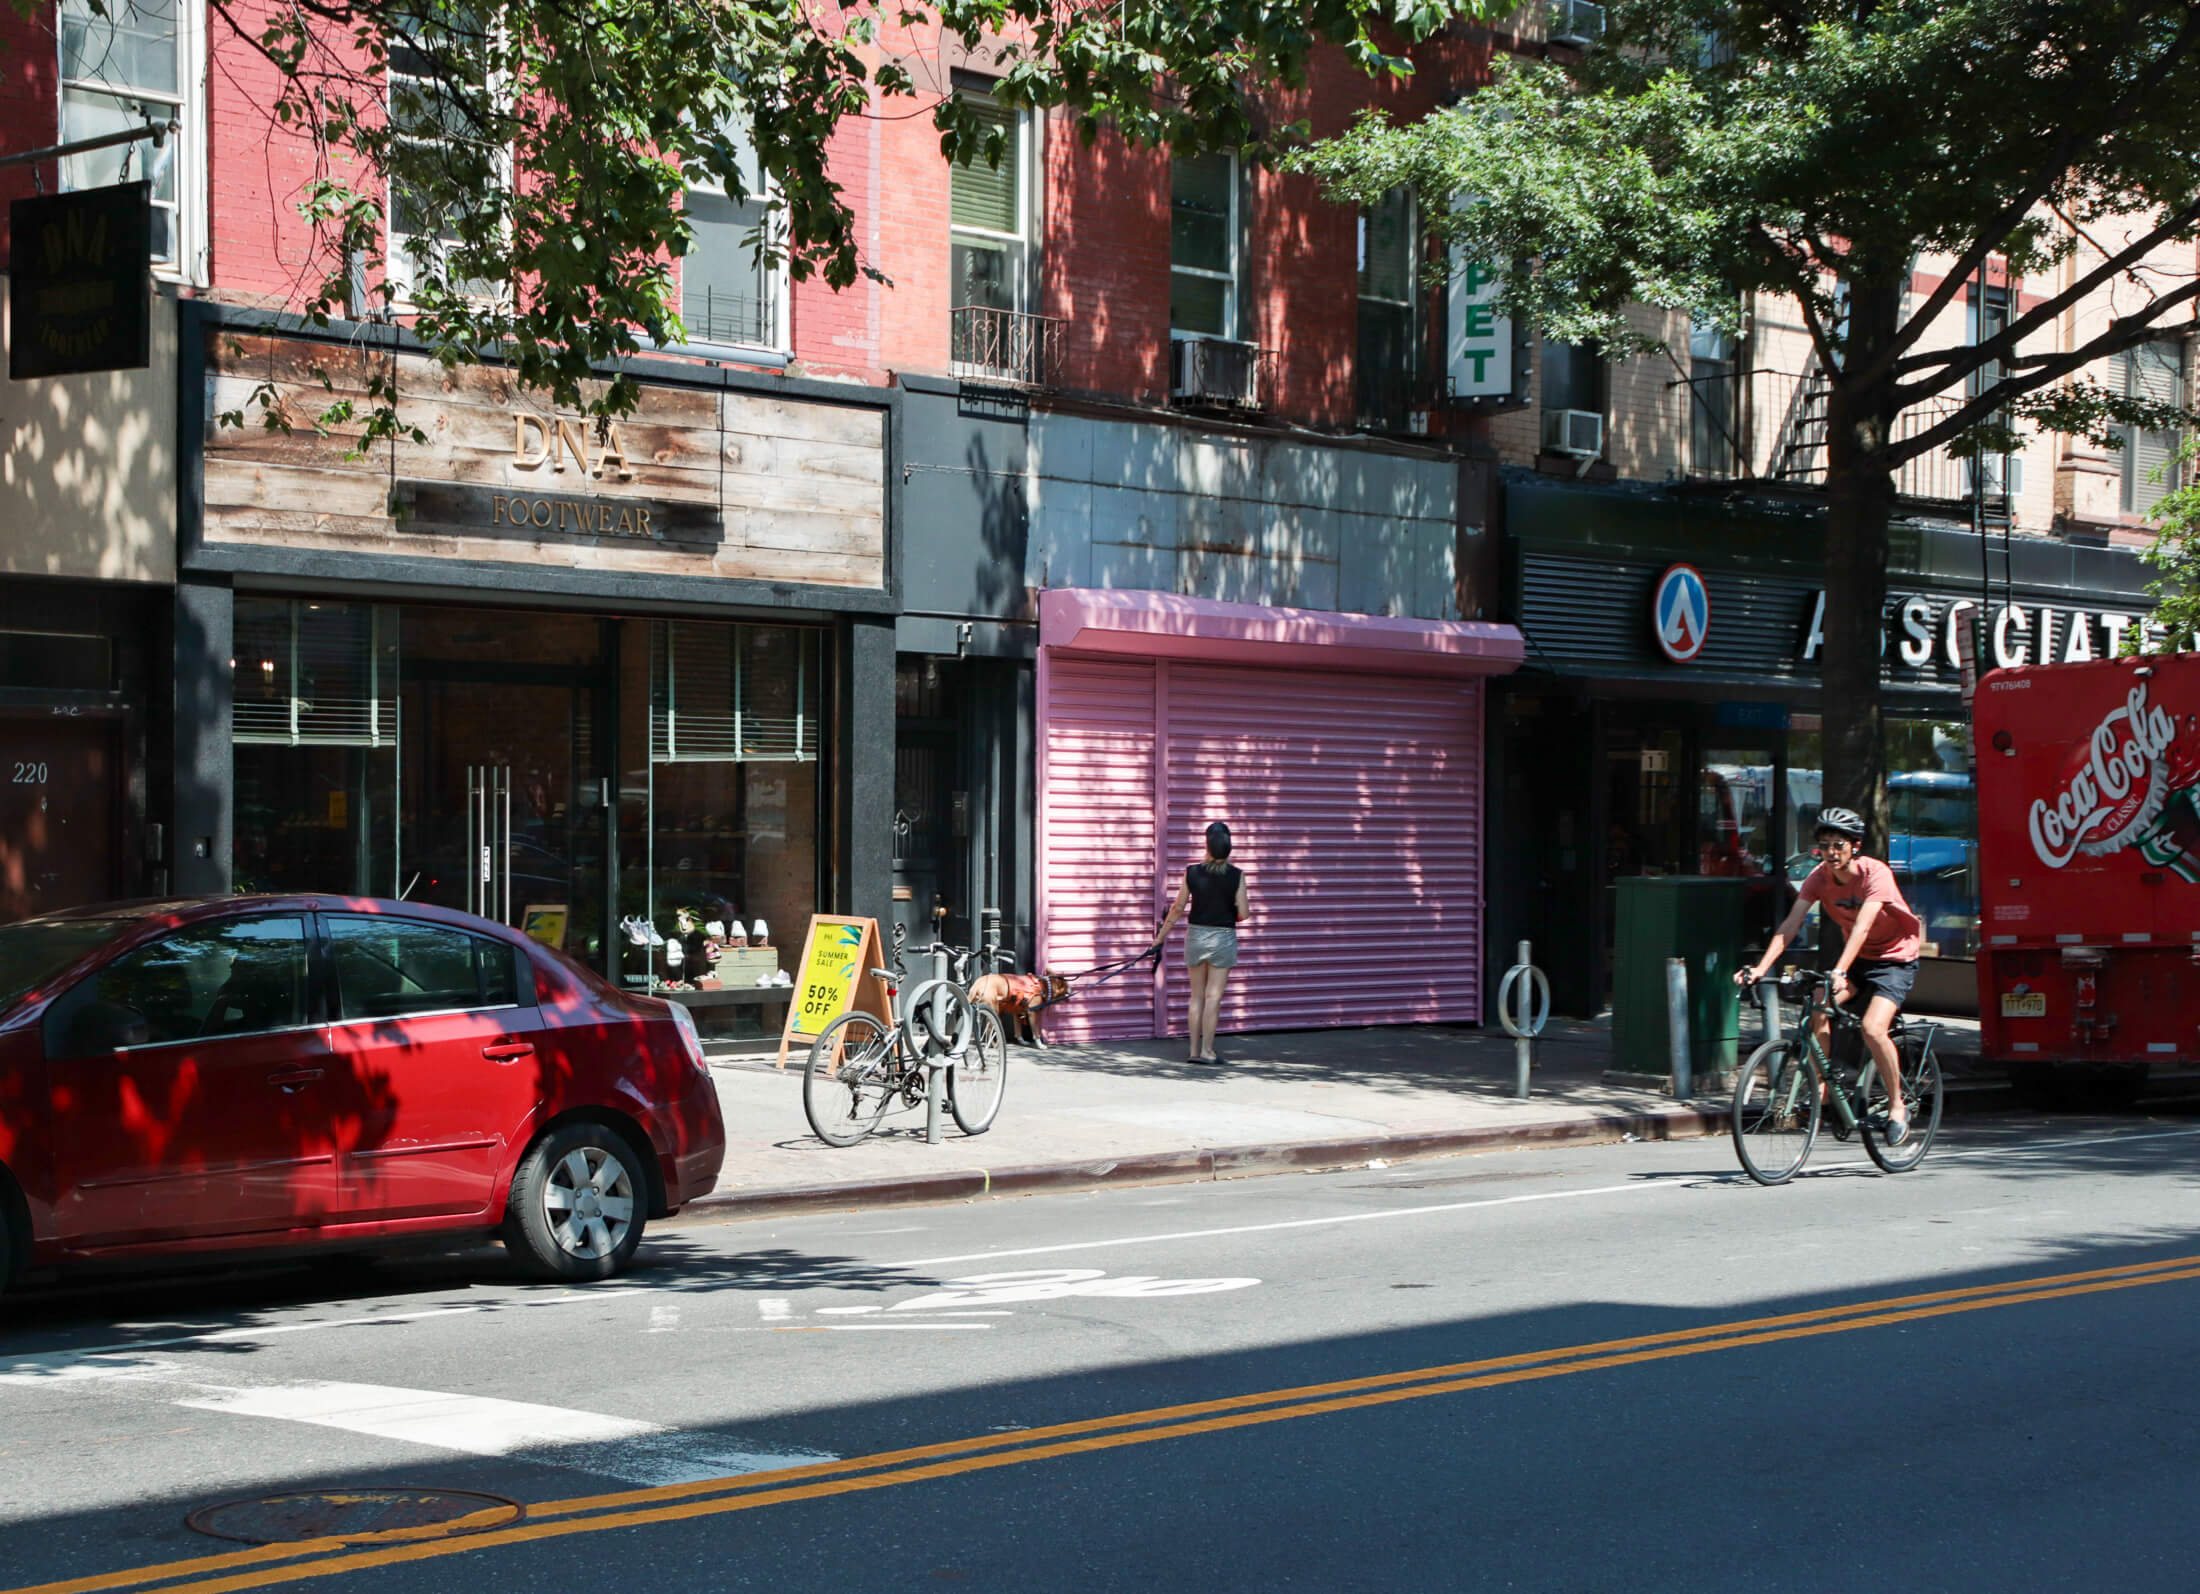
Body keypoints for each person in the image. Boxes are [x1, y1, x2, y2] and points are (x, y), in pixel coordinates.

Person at [1736, 806, 1924, 1143]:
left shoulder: (1874, 874)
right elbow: (1791, 924)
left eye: (1839, 845)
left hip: (1895, 959)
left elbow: (1863, 926)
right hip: (1859, 959)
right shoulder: (1819, 877)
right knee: (1819, 1005)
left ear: (1856, 846)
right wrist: (1760, 968)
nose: (1831, 852)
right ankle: (1822, 1088)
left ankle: (1897, 1105)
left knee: (1872, 1027)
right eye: (1825, 845)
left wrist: (1839, 969)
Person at [1152, 821, 1249, 1065]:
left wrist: (1159, 939)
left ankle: (1194, 1052)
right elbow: (1245, 913)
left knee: (1196, 996)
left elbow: (1176, 908)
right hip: (1223, 938)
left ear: (1207, 845)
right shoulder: (1236, 875)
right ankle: (1208, 1051)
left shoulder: (1192, 872)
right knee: (1213, 997)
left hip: (1195, 936)